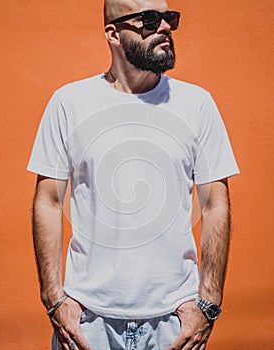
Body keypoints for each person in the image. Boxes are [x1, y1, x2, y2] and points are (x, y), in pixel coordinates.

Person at [27, 0, 239, 349]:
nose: (165, 28)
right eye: (150, 20)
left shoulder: (197, 104)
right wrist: (54, 299)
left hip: (174, 322)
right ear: (113, 33)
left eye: (169, 18)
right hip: (88, 324)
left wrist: (209, 302)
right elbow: (49, 202)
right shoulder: (69, 102)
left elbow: (215, 203)